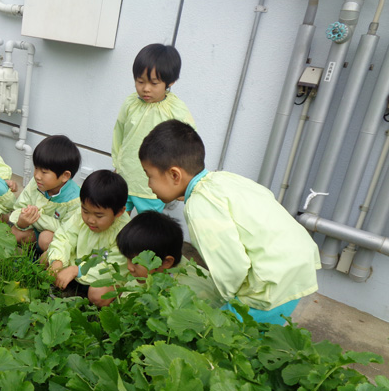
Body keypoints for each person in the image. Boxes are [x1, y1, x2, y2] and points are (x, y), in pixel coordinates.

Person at [138, 120, 321, 325]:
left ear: (174, 175)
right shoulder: (223, 179)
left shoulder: (199, 206)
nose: (148, 185)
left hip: (270, 282)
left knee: (229, 337)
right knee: (267, 331)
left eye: (149, 176)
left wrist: (225, 305)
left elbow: (232, 269)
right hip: (293, 263)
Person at [112, 43, 196, 215]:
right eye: (140, 81)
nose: (146, 88)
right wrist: (117, 165)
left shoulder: (176, 110)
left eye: (154, 83)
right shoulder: (130, 104)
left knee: (146, 232)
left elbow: (188, 146)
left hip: (154, 187)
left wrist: (185, 181)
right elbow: (119, 134)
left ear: (170, 81)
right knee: (116, 224)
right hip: (125, 177)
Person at [45, 170, 130, 307]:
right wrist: (58, 261)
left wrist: (77, 270)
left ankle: (105, 307)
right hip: (76, 264)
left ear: (119, 212)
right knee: (48, 256)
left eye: (99, 216)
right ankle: (57, 289)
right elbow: (65, 236)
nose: (90, 219)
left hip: (103, 276)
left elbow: (114, 265)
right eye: (85, 211)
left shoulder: (125, 232)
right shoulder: (80, 215)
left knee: (98, 294)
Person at [117, 211, 224, 308]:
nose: (129, 267)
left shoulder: (191, 292)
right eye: (127, 259)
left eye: (136, 262)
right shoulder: (144, 276)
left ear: (167, 262)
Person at [9, 135, 82, 251]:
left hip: (57, 240)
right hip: (34, 230)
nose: (37, 176)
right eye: (36, 168)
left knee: (46, 239)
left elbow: (66, 230)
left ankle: (42, 264)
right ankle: (28, 255)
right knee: (13, 233)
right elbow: (19, 207)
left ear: (65, 176)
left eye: (44, 172)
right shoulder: (37, 183)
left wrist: (36, 217)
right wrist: (22, 222)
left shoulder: (75, 200)